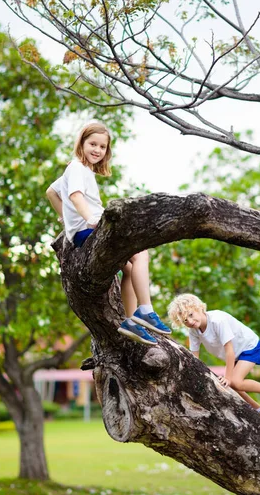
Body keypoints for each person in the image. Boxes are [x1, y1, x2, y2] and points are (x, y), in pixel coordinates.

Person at [46, 121, 171, 346]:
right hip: (89, 230)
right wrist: (90, 219)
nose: (97, 150)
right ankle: (146, 310)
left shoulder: (80, 170)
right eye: (92, 144)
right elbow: (75, 196)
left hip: (83, 231)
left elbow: (51, 192)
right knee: (141, 253)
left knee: (130, 268)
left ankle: (130, 321)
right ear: (81, 143)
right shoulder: (76, 167)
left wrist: (66, 220)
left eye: (102, 147)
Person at [167, 293, 260, 417]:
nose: (190, 321)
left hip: (249, 346)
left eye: (191, 315)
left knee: (235, 382)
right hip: (236, 353)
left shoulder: (217, 320)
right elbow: (194, 357)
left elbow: (229, 350)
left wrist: (228, 377)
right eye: (185, 320)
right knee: (232, 386)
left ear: (199, 308)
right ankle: (257, 410)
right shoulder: (193, 331)